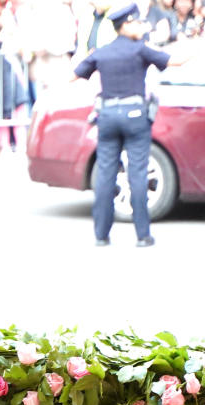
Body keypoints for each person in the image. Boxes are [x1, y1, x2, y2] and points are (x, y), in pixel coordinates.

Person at [73, 2, 191, 247]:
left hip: (106, 116)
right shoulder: (141, 50)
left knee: (105, 174)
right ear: (125, 25)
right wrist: (193, 46)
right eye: (137, 22)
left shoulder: (101, 52)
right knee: (137, 174)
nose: (141, 26)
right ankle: (142, 235)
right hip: (135, 116)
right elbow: (177, 62)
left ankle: (101, 235)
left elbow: (73, 74)